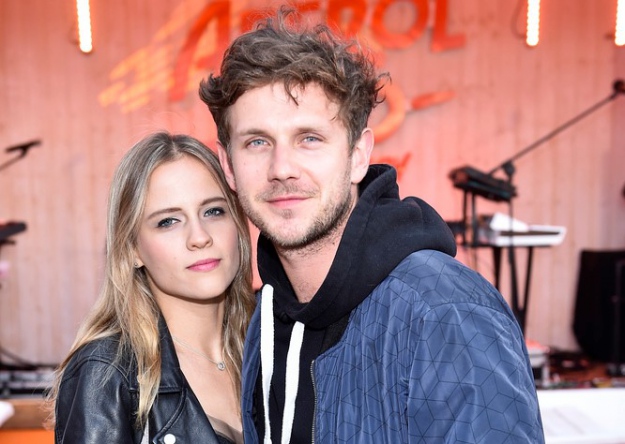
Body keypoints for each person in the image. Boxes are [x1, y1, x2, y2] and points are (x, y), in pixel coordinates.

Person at [199, 8, 545, 444]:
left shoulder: (445, 313)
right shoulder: (264, 319)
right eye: (256, 142)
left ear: (359, 155)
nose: (281, 168)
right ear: (229, 165)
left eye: (309, 139)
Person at [46, 132, 255, 444]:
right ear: (132, 249)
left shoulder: (269, 345)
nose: (200, 237)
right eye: (168, 221)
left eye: (214, 211)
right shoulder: (107, 372)